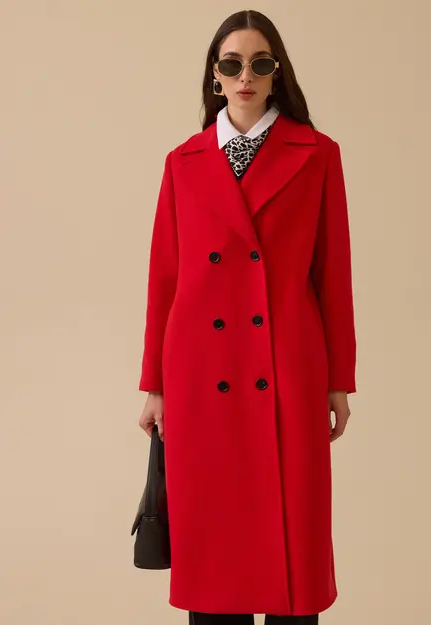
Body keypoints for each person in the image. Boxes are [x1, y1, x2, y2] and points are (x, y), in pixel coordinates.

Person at [138, 9, 357, 625]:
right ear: (215, 74)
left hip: (286, 365)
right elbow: (164, 279)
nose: (245, 77)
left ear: (276, 72)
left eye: (260, 64)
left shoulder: (317, 154)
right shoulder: (183, 161)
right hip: (200, 373)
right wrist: (154, 384)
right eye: (232, 64)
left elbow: (333, 275)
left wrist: (338, 379)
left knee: (293, 548)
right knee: (215, 556)